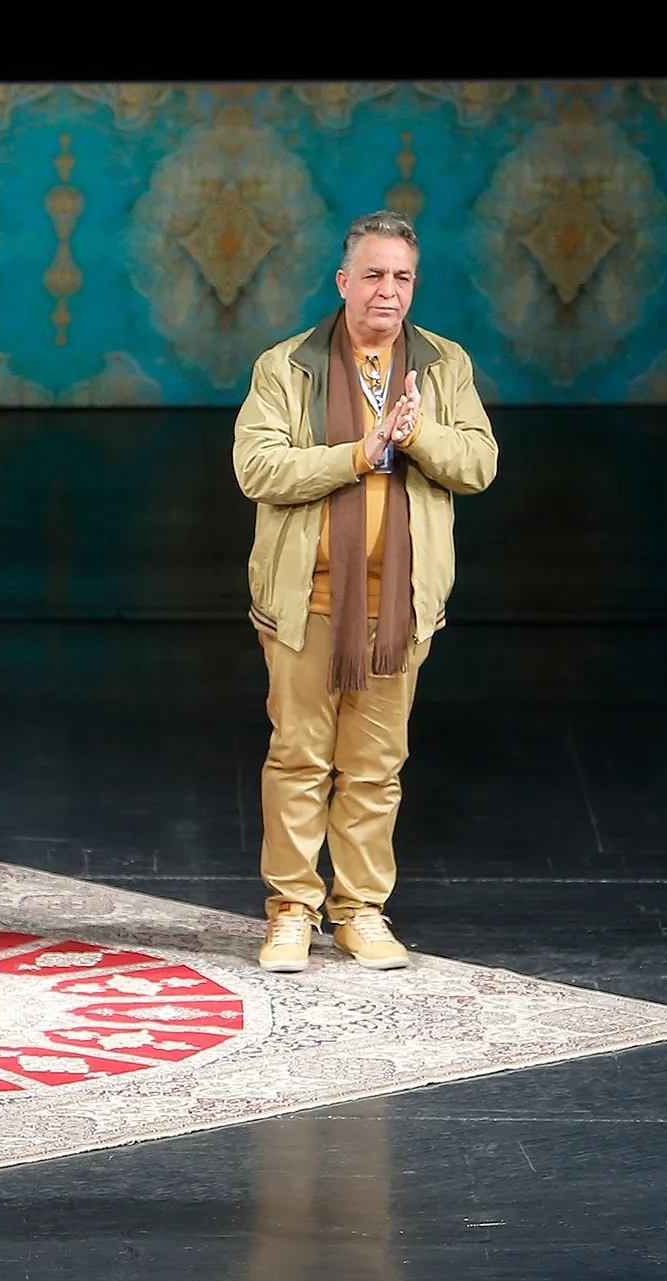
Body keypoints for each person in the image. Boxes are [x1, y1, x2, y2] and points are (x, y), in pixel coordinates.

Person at [232, 211, 498, 973]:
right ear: (343, 281)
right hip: (306, 603)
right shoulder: (288, 365)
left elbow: (478, 464)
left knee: (376, 768)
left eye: (402, 277)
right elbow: (259, 468)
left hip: (399, 610)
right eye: (374, 274)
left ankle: (360, 910)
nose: (388, 290)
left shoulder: (443, 364)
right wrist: (361, 450)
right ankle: (291, 910)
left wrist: (416, 435)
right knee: (299, 761)